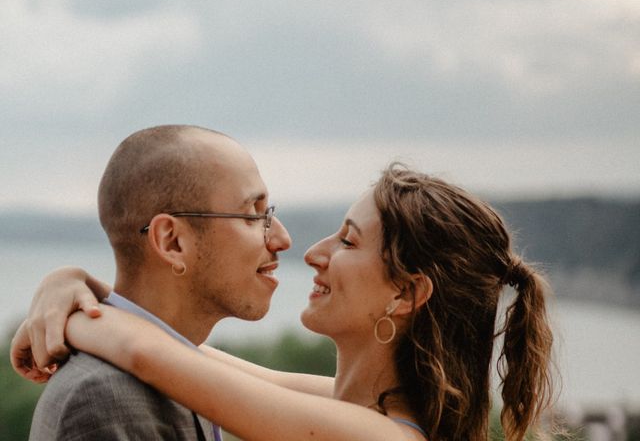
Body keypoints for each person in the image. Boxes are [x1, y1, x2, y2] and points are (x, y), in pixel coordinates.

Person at [12, 164, 555, 441]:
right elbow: (186, 354)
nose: (312, 253)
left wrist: (65, 319)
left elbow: (149, 354)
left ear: (406, 293)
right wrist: (72, 284)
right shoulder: (353, 405)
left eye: (347, 240)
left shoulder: (384, 436)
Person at [14, 125, 292, 440]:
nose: (282, 239)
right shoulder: (105, 399)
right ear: (172, 242)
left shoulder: (181, 370)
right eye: (253, 216)